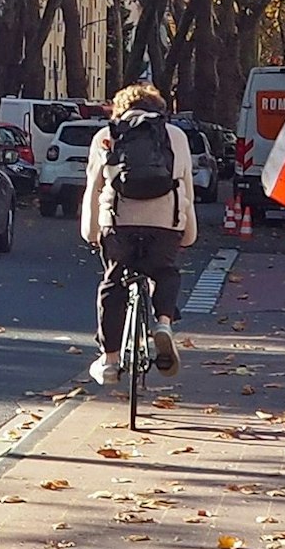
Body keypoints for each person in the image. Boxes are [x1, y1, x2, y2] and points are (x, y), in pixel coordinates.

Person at [80, 83, 197, 385]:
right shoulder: (176, 137)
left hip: (119, 224)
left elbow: (94, 187)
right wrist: (187, 233)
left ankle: (109, 360)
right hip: (165, 224)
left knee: (113, 284)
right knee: (166, 272)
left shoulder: (106, 136)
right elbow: (186, 187)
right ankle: (164, 324)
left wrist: (92, 232)